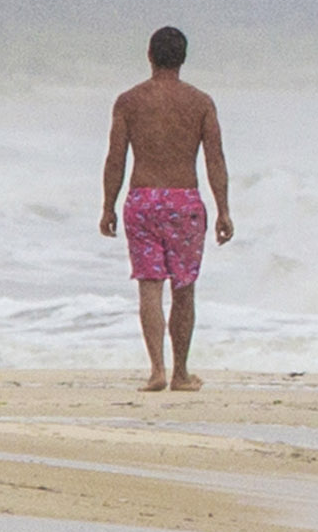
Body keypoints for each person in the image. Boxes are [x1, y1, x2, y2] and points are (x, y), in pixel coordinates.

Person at [98, 26, 232, 392]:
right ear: (183, 58)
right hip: (183, 202)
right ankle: (181, 373)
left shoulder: (129, 101)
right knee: (184, 289)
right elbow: (214, 160)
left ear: (149, 56)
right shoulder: (200, 103)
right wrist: (223, 210)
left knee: (149, 287)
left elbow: (115, 159)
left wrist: (108, 205)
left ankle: (156, 369)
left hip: (141, 200)